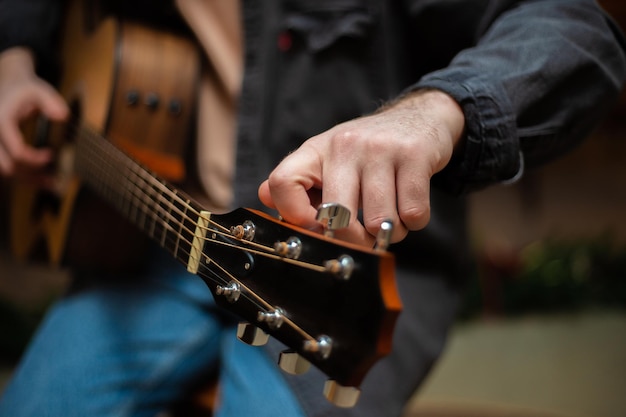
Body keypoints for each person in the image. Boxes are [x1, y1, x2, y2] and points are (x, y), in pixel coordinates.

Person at [1, 1, 625, 416]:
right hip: (152, 240)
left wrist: (434, 110)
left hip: (336, 271)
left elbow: (577, 30)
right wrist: (13, 61)